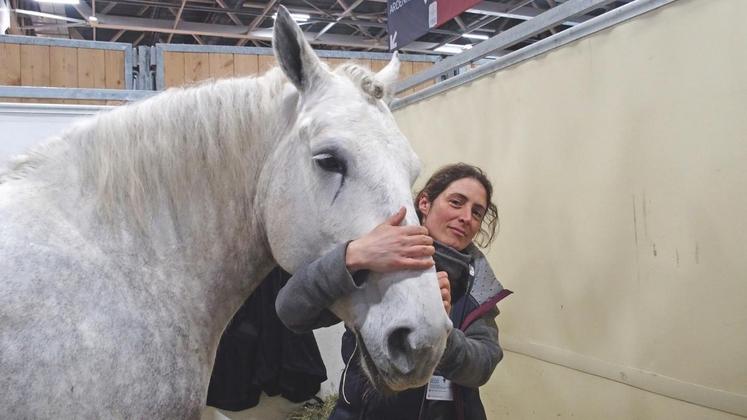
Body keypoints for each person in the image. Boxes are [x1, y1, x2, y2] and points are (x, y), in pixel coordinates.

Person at [276, 163, 512, 420]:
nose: (467, 217)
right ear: (424, 203)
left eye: (477, 212)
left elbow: (483, 365)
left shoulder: (478, 281)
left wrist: (441, 332)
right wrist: (353, 255)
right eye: (456, 202)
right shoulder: (378, 256)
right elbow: (292, 311)